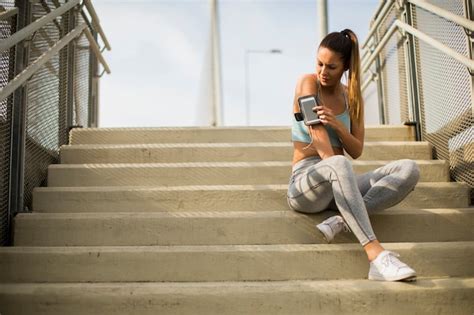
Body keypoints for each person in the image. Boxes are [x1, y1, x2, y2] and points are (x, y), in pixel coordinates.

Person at [286, 29, 420, 282]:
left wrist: (337, 124)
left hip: (340, 181)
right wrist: (340, 171)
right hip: (306, 184)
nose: (322, 72)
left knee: (408, 169)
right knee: (338, 163)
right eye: (319, 63)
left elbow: (356, 150)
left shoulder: (351, 96)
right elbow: (322, 144)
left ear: (345, 66)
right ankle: (376, 257)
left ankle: (340, 221)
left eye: (331, 67)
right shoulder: (308, 83)